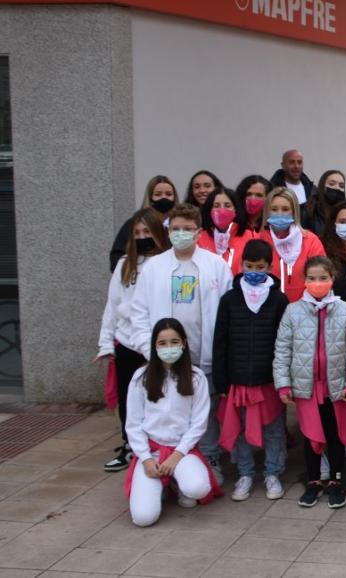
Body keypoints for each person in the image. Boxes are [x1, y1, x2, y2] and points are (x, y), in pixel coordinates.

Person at [129, 203, 232, 480]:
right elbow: (138, 313)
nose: (181, 233)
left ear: (199, 232)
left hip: (203, 354)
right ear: (168, 231)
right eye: (176, 229)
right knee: (171, 409)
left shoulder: (216, 266)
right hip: (165, 356)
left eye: (188, 229)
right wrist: (148, 350)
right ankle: (164, 461)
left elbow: (227, 315)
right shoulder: (154, 268)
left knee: (205, 412)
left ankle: (209, 458)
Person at [274, 256, 346, 508]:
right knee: (310, 435)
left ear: (332, 279)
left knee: (335, 435)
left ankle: (336, 481)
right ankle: (313, 481)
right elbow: (282, 350)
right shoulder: (293, 311)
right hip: (306, 387)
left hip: (336, 387)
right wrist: (283, 384)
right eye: (311, 278)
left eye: (323, 278)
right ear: (304, 280)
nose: (317, 283)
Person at [211, 239, 289, 502]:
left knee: (274, 429)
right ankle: (245, 473)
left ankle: (272, 472)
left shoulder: (279, 299)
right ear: (241, 264)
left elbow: (284, 341)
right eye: (249, 266)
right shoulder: (230, 299)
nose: (254, 271)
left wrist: (283, 379)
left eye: (260, 267)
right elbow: (220, 341)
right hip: (238, 380)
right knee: (241, 429)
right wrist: (221, 381)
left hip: (269, 381)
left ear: (270, 267)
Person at [125, 319, 217, 526]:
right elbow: (133, 424)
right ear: (154, 346)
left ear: (183, 343)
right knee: (143, 518)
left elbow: (198, 423)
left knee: (198, 488)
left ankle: (177, 482)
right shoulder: (141, 377)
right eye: (162, 343)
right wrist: (146, 459)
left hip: (181, 451)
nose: (169, 348)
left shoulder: (196, 377)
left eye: (174, 342)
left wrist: (177, 455)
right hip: (152, 452)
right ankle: (159, 486)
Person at [98, 208, 170, 471]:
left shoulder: (167, 263)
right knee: (129, 399)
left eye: (146, 232)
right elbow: (112, 305)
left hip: (159, 344)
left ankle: (159, 446)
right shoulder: (124, 265)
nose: (142, 237)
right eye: (137, 233)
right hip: (128, 343)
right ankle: (130, 445)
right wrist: (106, 343)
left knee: (159, 397)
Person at [257, 188, 328, 302]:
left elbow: (322, 278)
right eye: (274, 209)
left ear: (294, 212)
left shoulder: (311, 241)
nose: (280, 213)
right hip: (269, 309)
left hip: (305, 309)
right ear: (267, 212)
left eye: (285, 209)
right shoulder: (259, 241)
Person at [110, 175, 177, 271]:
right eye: (158, 194)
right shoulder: (134, 223)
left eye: (168, 194)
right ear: (150, 197)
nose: (164, 198)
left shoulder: (179, 225)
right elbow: (116, 256)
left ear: (174, 197)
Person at [197, 187, 252, 272]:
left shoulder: (248, 236)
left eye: (227, 205)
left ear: (235, 209)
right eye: (216, 206)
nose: (222, 210)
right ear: (209, 210)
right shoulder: (199, 238)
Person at [305, 170, 346, 236]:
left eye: (341, 186)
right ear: (322, 187)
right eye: (332, 184)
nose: (337, 188)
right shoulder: (310, 209)